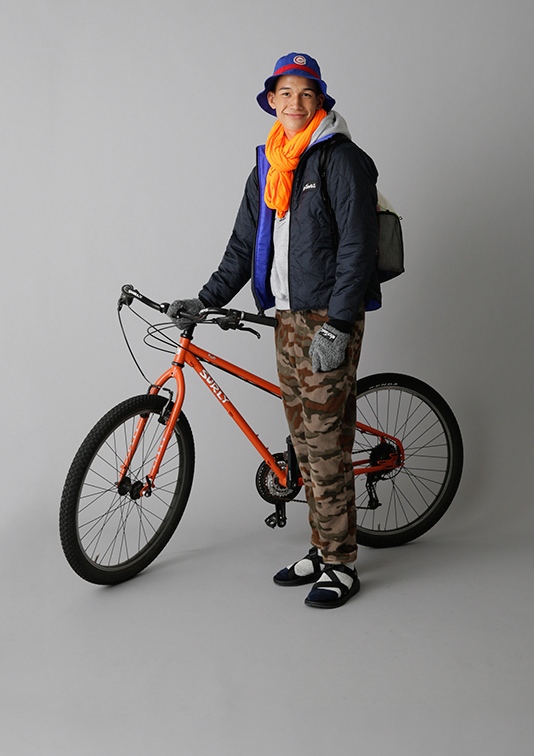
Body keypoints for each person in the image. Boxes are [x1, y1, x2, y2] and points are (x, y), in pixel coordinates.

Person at [168, 52, 380, 608]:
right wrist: (206, 299)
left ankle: (341, 563)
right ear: (271, 100)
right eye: (286, 92)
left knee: (327, 444)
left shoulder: (341, 159)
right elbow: (244, 245)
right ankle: (321, 546)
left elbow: (358, 247)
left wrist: (339, 324)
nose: (295, 102)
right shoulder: (269, 163)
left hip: (328, 318)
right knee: (303, 443)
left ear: (320, 100)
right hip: (285, 317)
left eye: (306, 92)